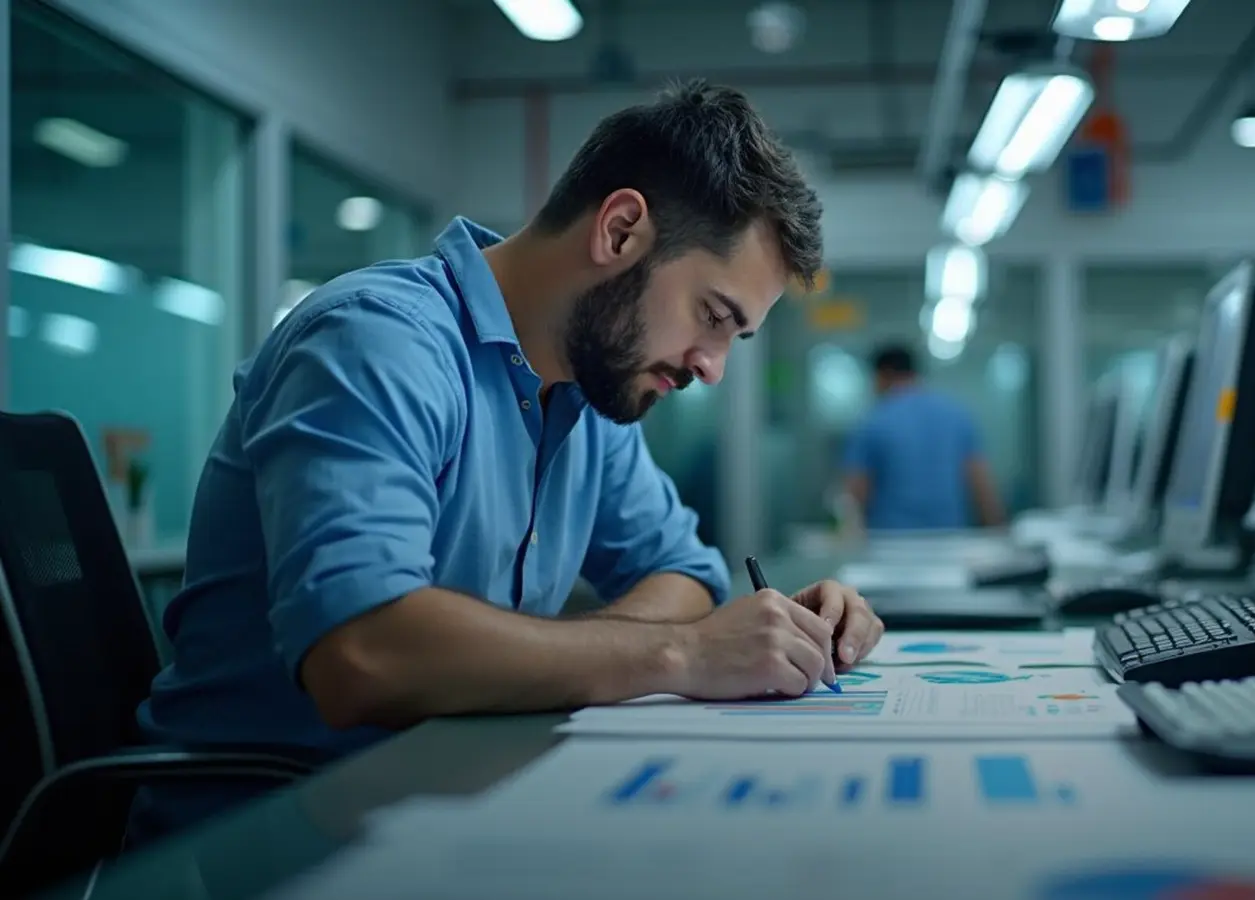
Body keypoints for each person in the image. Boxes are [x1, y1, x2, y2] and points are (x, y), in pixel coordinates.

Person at [132, 81, 883, 838]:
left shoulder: (590, 396)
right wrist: (680, 654)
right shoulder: (377, 341)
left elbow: (685, 575)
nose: (712, 367)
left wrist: (662, 646)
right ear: (620, 230)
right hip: (261, 838)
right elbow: (361, 654)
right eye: (712, 316)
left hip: (444, 806)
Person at [839, 343, 1007, 530]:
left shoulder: (872, 421)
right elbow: (981, 483)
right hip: (951, 537)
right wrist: (997, 531)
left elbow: (856, 493)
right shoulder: (957, 415)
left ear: (883, 375)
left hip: (890, 539)